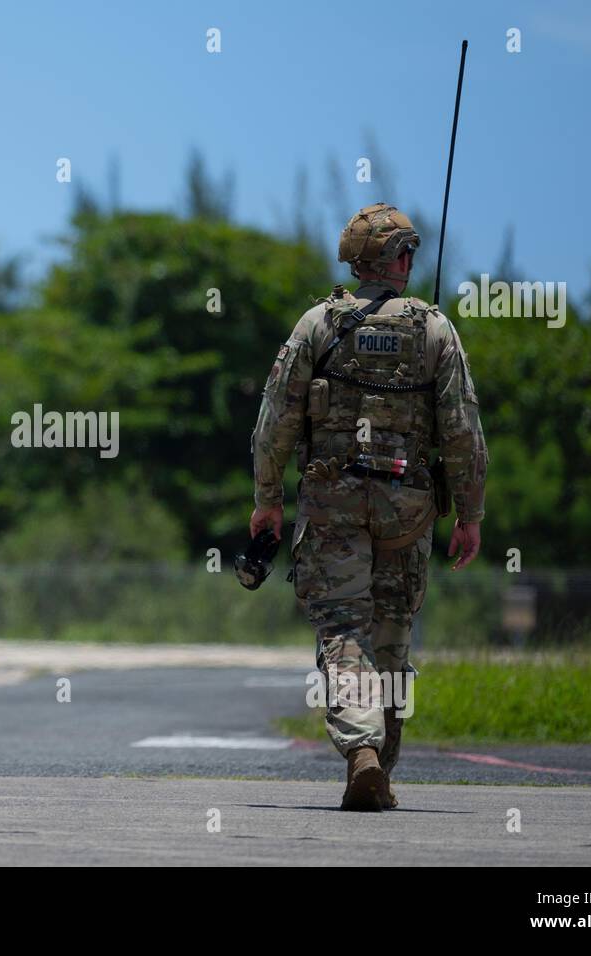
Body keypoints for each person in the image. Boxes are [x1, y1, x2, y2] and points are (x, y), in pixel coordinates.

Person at [250, 203, 487, 811]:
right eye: (408, 250)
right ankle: (382, 763)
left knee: (343, 630)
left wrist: (268, 501)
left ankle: (362, 752)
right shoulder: (435, 328)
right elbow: (462, 431)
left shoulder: (317, 326)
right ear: (399, 259)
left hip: (332, 505)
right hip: (406, 508)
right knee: (393, 635)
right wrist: (470, 514)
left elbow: (274, 422)